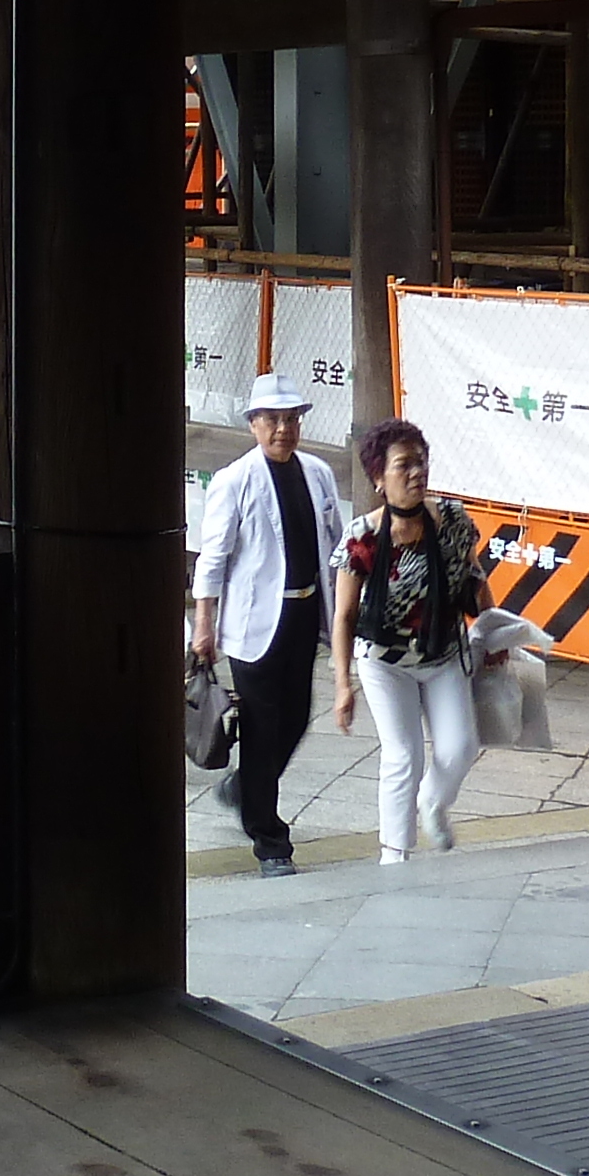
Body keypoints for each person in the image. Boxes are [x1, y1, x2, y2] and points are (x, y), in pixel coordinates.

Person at [188, 374, 351, 873]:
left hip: (304, 613)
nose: (283, 429)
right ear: (254, 425)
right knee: (261, 729)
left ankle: (244, 788)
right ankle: (270, 840)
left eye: (291, 419)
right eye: (272, 420)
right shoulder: (236, 480)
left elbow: (336, 543)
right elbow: (212, 560)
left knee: (297, 716)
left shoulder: (318, 472)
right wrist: (204, 625)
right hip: (253, 620)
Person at [333, 418, 492, 861]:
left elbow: (475, 579)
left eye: (421, 463)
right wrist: (343, 685)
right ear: (379, 479)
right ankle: (394, 853)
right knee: (403, 755)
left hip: (442, 652)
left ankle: (433, 804)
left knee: (461, 747)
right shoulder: (361, 537)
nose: (416, 473)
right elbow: (344, 615)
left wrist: (493, 632)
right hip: (384, 661)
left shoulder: (454, 520)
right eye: (403, 465)